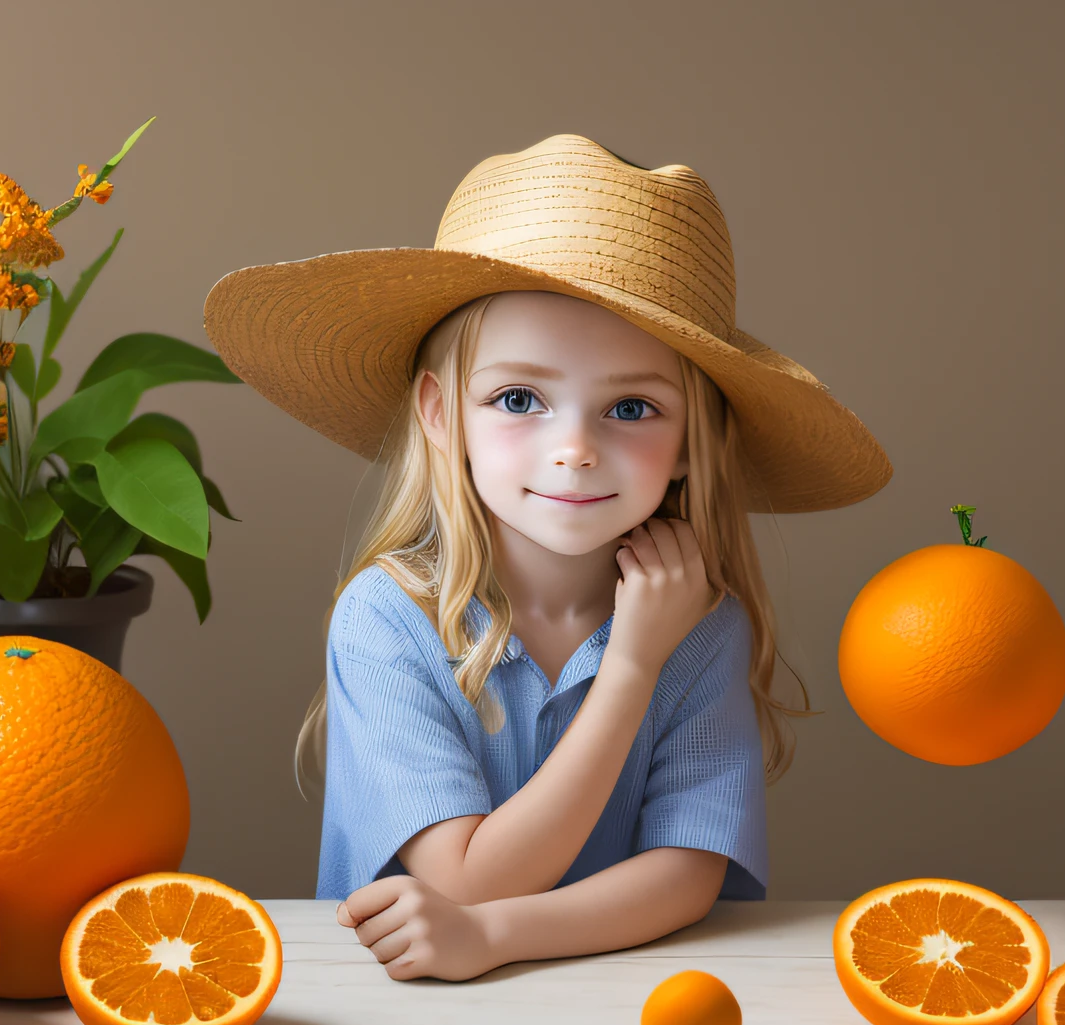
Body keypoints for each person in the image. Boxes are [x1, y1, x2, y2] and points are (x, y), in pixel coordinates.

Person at [202, 134, 890, 980]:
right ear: (442, 412)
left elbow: (684, 876)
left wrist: (494, 939)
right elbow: (465, 881)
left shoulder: (701, 625)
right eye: (519, 398)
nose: (574, 450)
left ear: (688, 444)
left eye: (632, 407)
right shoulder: (388, 619)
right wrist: (633, 667)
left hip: (622, 1023)